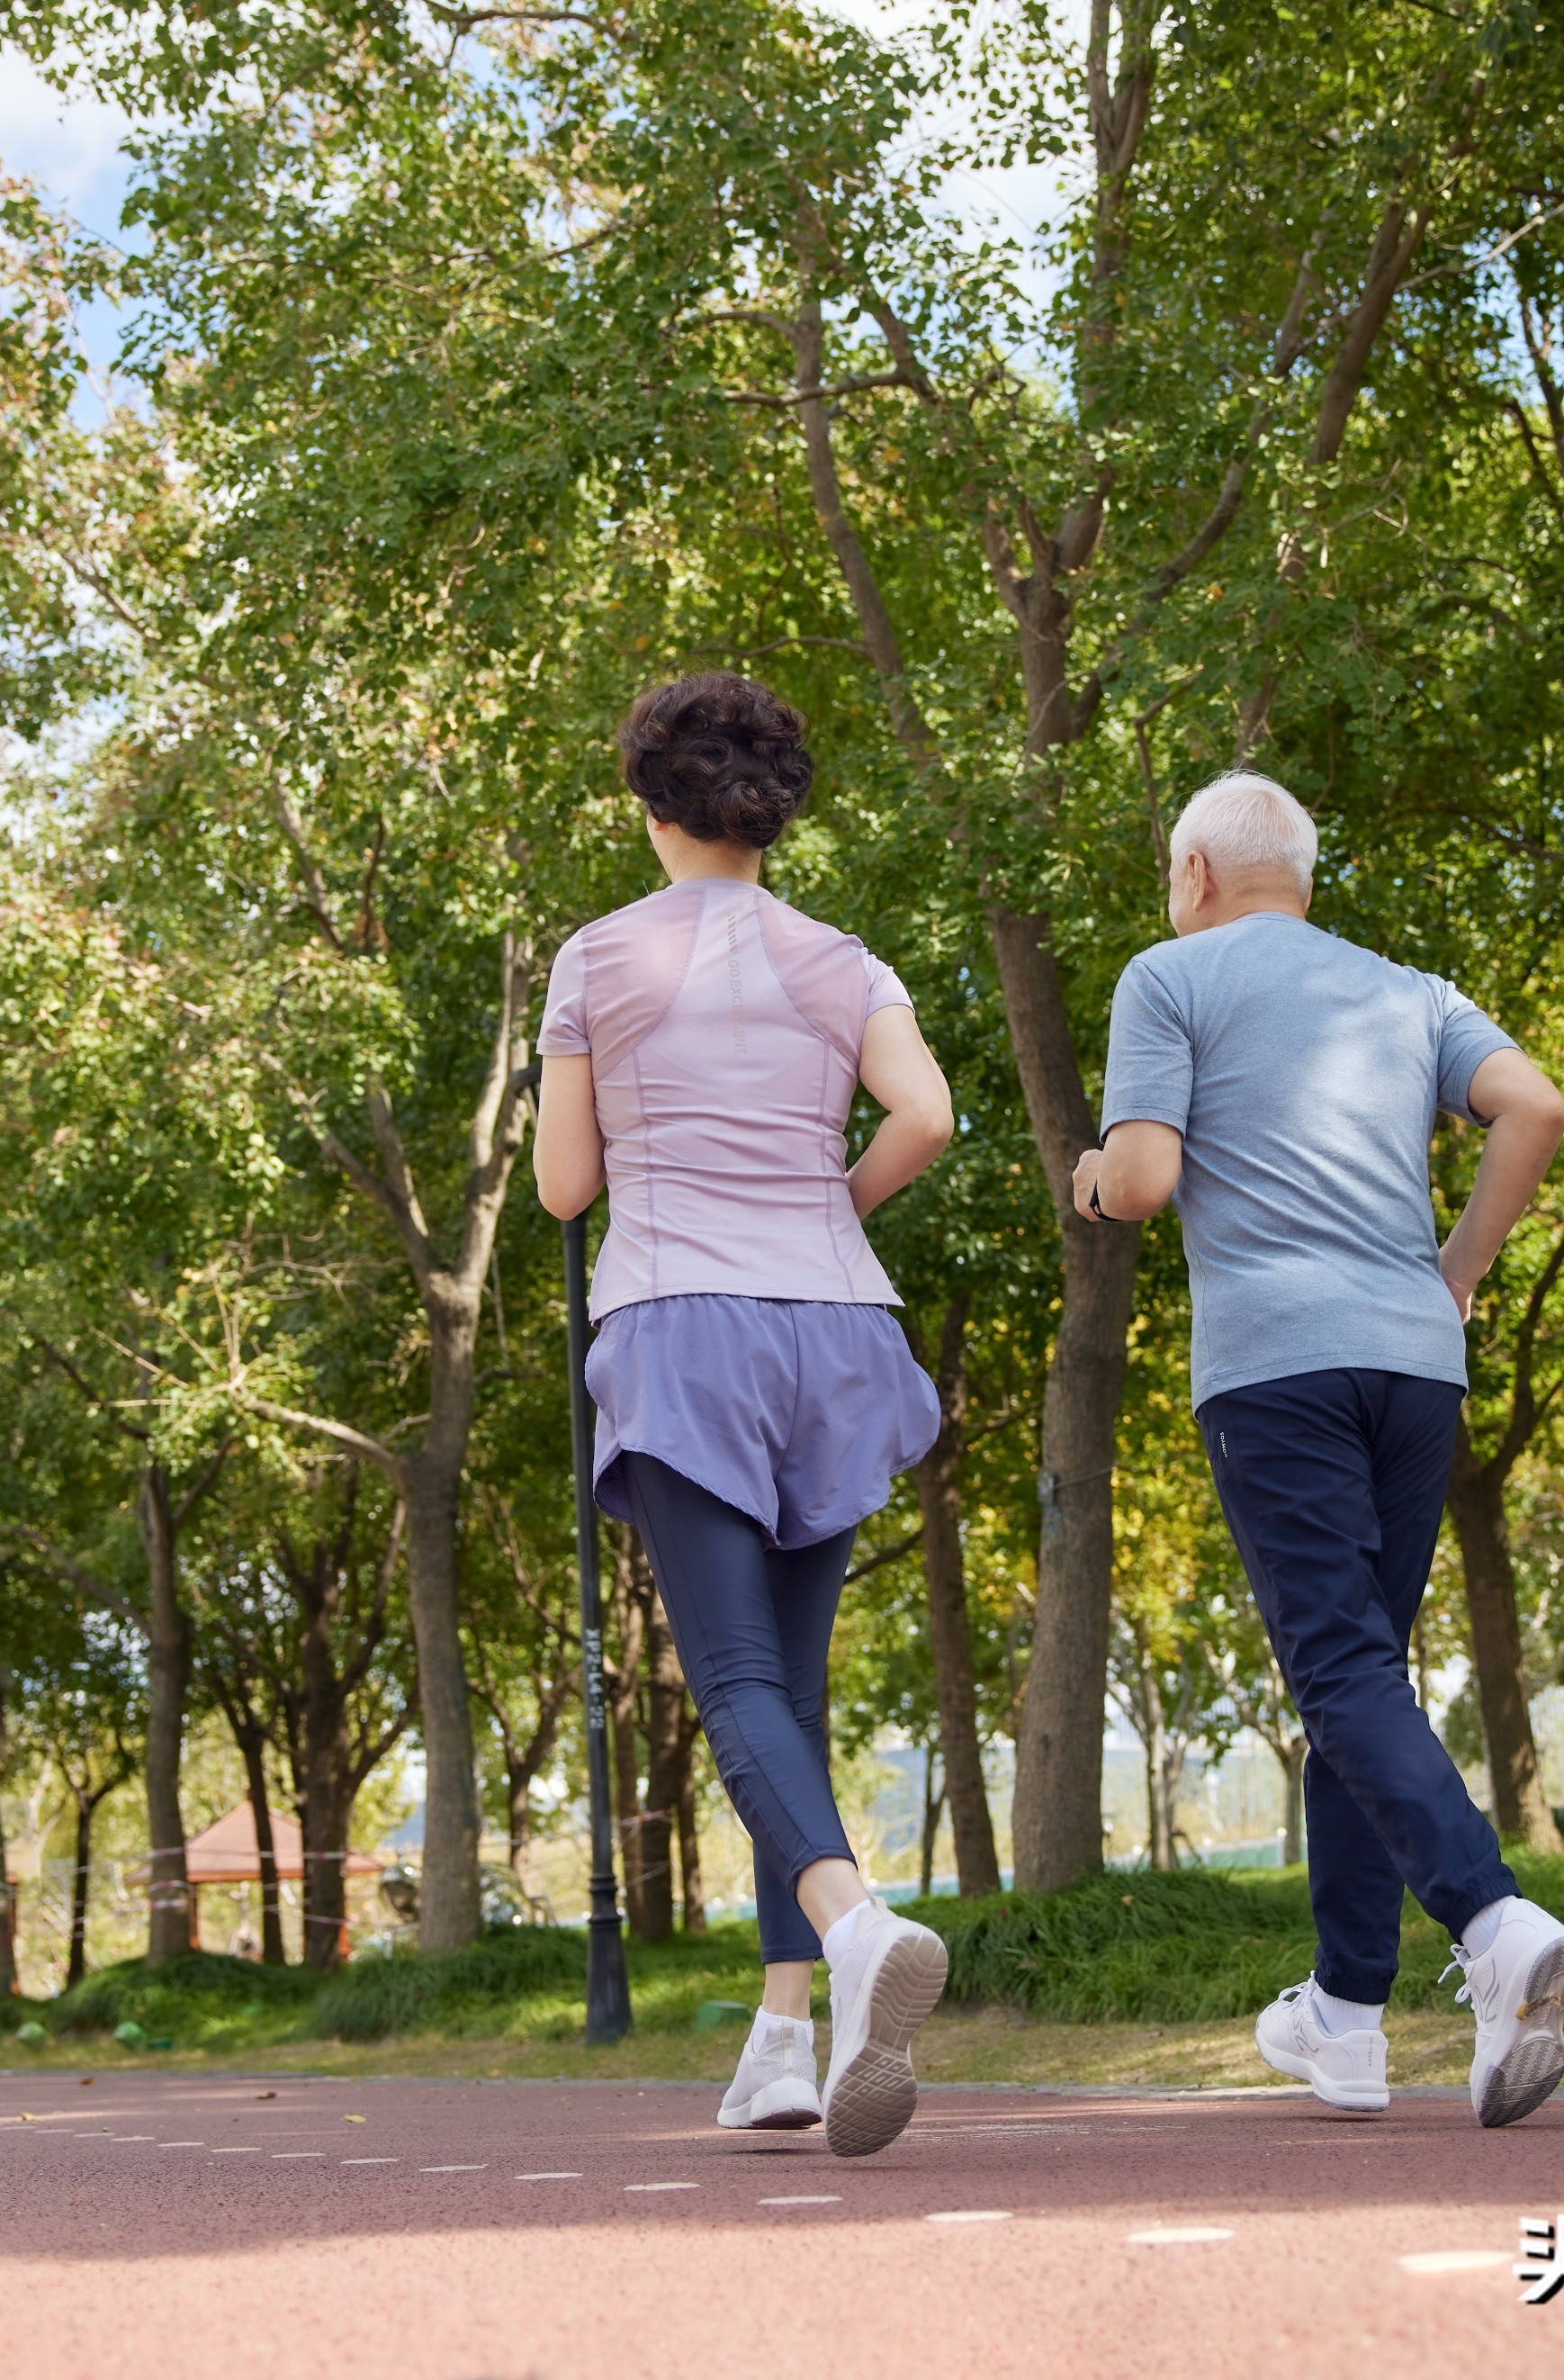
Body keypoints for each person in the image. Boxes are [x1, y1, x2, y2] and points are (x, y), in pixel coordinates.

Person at [1067, 770, 1564, 2129]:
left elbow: (1140, 1183)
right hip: (1416, 1366)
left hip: (1279, 1366)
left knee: (1345, 1671)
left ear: (1193, 875)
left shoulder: (1166, 979)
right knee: (1368, 1686)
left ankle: (1493, 1928)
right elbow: (1535, 1108)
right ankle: (1348, 2017)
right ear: (1302, 874)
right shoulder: (1409, 991)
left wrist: (1089, 1171)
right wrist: (1456, 1272)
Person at [535, 672, 957, 2158]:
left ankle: (850, 1932)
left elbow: (565, 1188)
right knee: (791, 1683)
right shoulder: (846, 959)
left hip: (682, 1327)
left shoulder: (596, 958)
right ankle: (784, 2045)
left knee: (732, 1686)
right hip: (837, 1328)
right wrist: (822, 1215)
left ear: (651, 806)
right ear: (772, 807)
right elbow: (929, 1116)